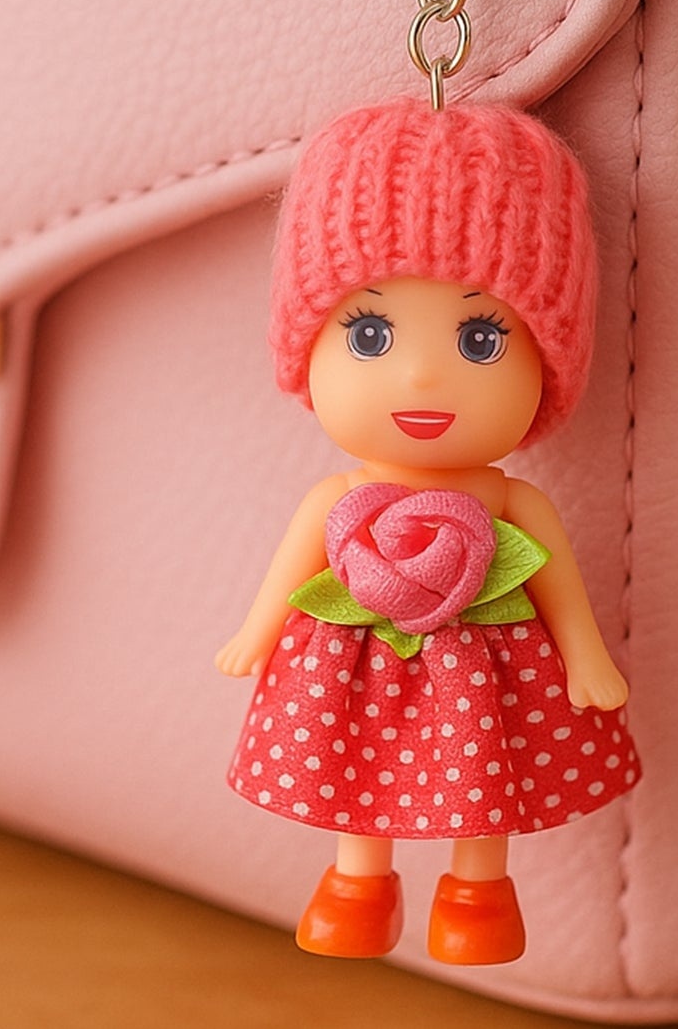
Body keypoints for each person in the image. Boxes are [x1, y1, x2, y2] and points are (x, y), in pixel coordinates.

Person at [216, 96, 638, 964]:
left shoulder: (513, 503)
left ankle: (479, 894)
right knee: (358, 765)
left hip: (488, 674)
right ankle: (357, 884)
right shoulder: (338, 497)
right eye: (369, 334)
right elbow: (290, 570)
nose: (419, 377)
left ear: (549, 363)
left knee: (485, 776)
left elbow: (559, 587)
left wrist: (587, 657)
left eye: (481, 339)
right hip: (354, 666)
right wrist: (256, 632)